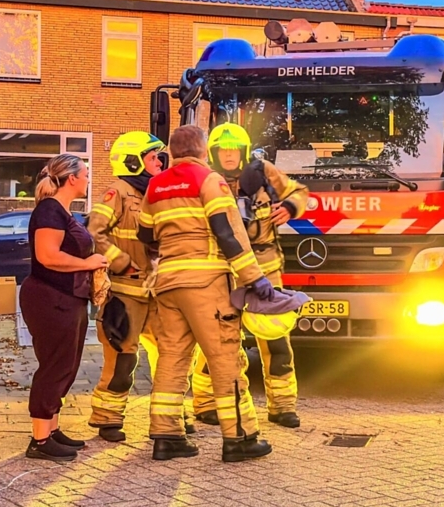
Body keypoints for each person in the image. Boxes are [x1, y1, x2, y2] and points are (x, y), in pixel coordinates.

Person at [138, 125, 275, 462]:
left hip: (168, 284)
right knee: (224, 358)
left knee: (171, 358)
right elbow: (228, 234)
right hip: (207, 283)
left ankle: (167, 437)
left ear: (172, 152)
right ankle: (239, 438)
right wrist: (255, 278)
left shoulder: (156, 184)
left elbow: (144, 233)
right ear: (203, 151)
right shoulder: (208, 180)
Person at [191, 123, 308, 428]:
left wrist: (290, 207)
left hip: (266, 267)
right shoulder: (205, 178)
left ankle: (282, 406)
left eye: (234, 149)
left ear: (243, 151)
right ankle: (205, 404)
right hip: (223, 271)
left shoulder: (263, 172)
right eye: (222, 149)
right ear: (213, 152)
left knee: (276, 340)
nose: (228, 155)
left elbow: (299, 191)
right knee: (216, 341)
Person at [20, 154, 107, 462]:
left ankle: (52, 429)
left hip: (69, 298)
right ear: (71, 178)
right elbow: (47, 255)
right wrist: (87, 262)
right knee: (55, 366)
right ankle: (40, 440)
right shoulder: (49, 211)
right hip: (50, 298)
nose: (87, 179)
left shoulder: (62, 211)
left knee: (66, 365)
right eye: (85, 174)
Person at [87, 132, 166, 442]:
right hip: (125, 294)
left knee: (173, 356)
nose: (159, 162)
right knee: (123, 359)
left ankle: (170, 419)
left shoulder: (159, 193)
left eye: (159, 156)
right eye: (152, 157)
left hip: (157, 293)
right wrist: (119, 261)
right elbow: (96, 230)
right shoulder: (118, 192)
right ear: (133, 162)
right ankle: (107, 419)